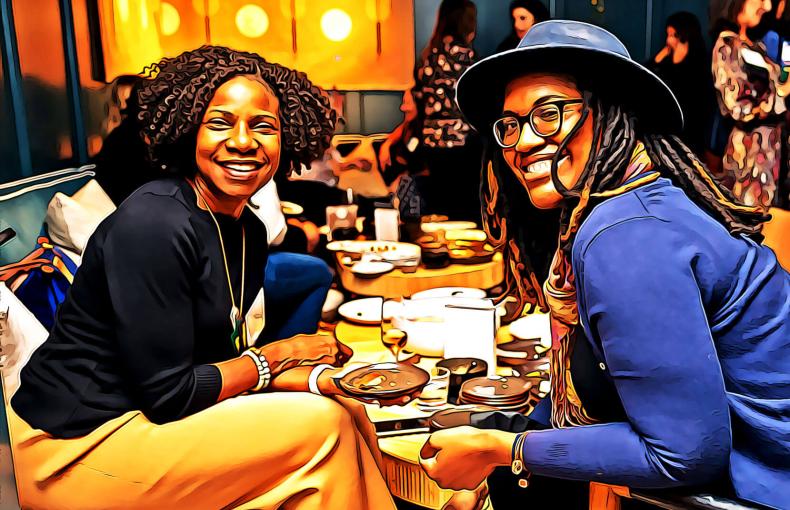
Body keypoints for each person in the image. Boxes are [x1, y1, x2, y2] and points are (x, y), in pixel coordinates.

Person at [418, 21, 790, 509]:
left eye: (548, 113)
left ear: (613, 114)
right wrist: (499, 466)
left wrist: (502, 450)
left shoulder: (623, 232)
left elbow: (682, 453)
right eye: (509, 124)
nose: (521, 142)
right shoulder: (618, 210)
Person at [8, 46, 398, 510]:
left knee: (345, 409)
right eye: (220, 122)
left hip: (146, 419)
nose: (242, 141)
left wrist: (319, 381)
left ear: (285, 140)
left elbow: (218, 365)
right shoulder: (155, 222)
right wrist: (284, 353)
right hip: (76, 446)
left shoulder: (247, 230)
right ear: (189, 129)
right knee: (322, 429)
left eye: (263, 126)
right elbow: (170, 394)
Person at [711, 0, 789, 209]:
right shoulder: (727, 46)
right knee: (750, 219)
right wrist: (780, 97)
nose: (766, 7)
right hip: (749, 154)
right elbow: (737, 106)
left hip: (773, 152)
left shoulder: (759, 48)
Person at [413, 0, 481, 223]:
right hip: (461, 141)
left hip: (431, 141)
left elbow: (420, 98)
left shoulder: (427, 56)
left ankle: (438, 250)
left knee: (439, 203)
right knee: (463, 207)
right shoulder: (467, 57)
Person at [649, 11, 715, 157]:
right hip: (666, 134)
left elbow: (699, 102)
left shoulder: (699, 61)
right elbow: (648, 75)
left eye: (673, 35)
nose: (668, 40)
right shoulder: (667, 60)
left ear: (683, 35)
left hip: (690, 135)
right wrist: (662, 56)